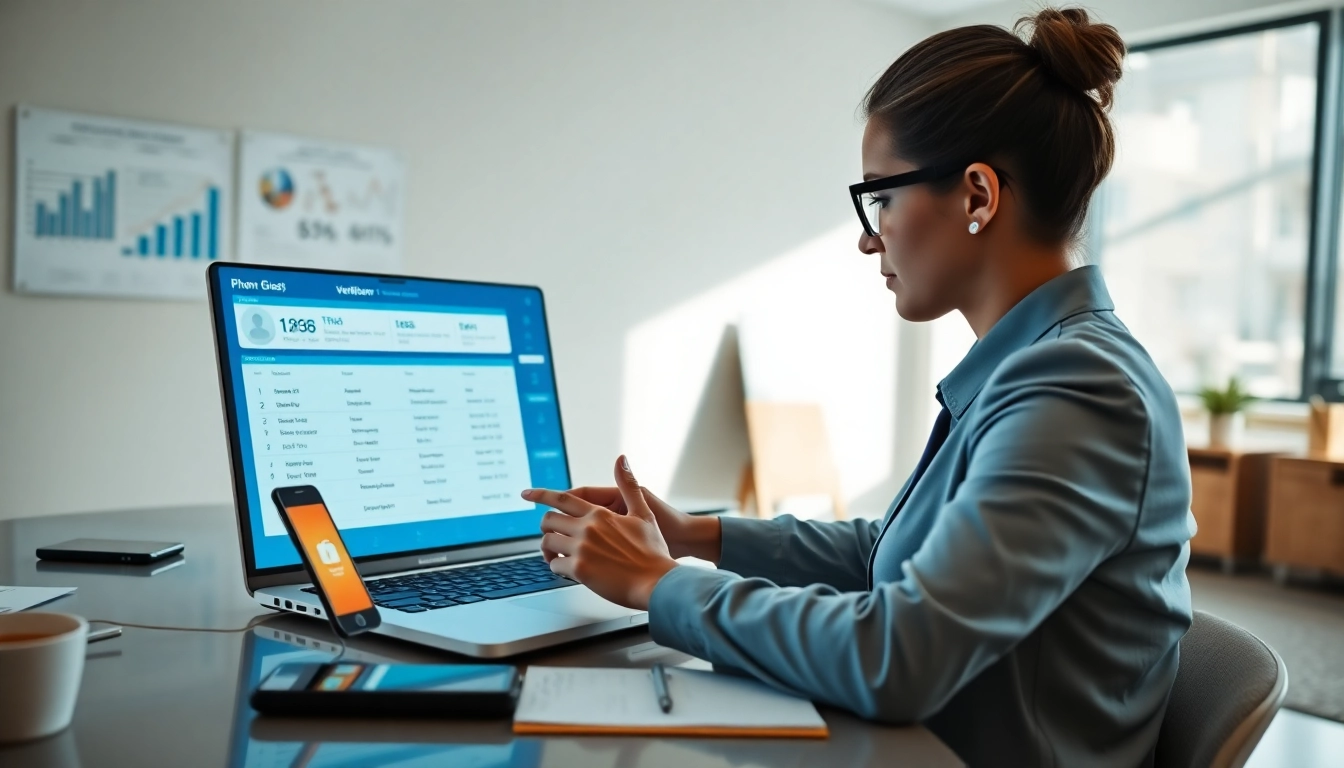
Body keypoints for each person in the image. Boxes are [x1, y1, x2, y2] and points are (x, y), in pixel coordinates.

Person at [522, 7, 1194, 767]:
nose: (868, 236)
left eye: (881, 198)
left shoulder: (1076, 389)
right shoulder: (1037, 365)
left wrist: (656, 582)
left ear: (978, 196)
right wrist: (696, 536)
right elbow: (894, 553)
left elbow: (898, 657)